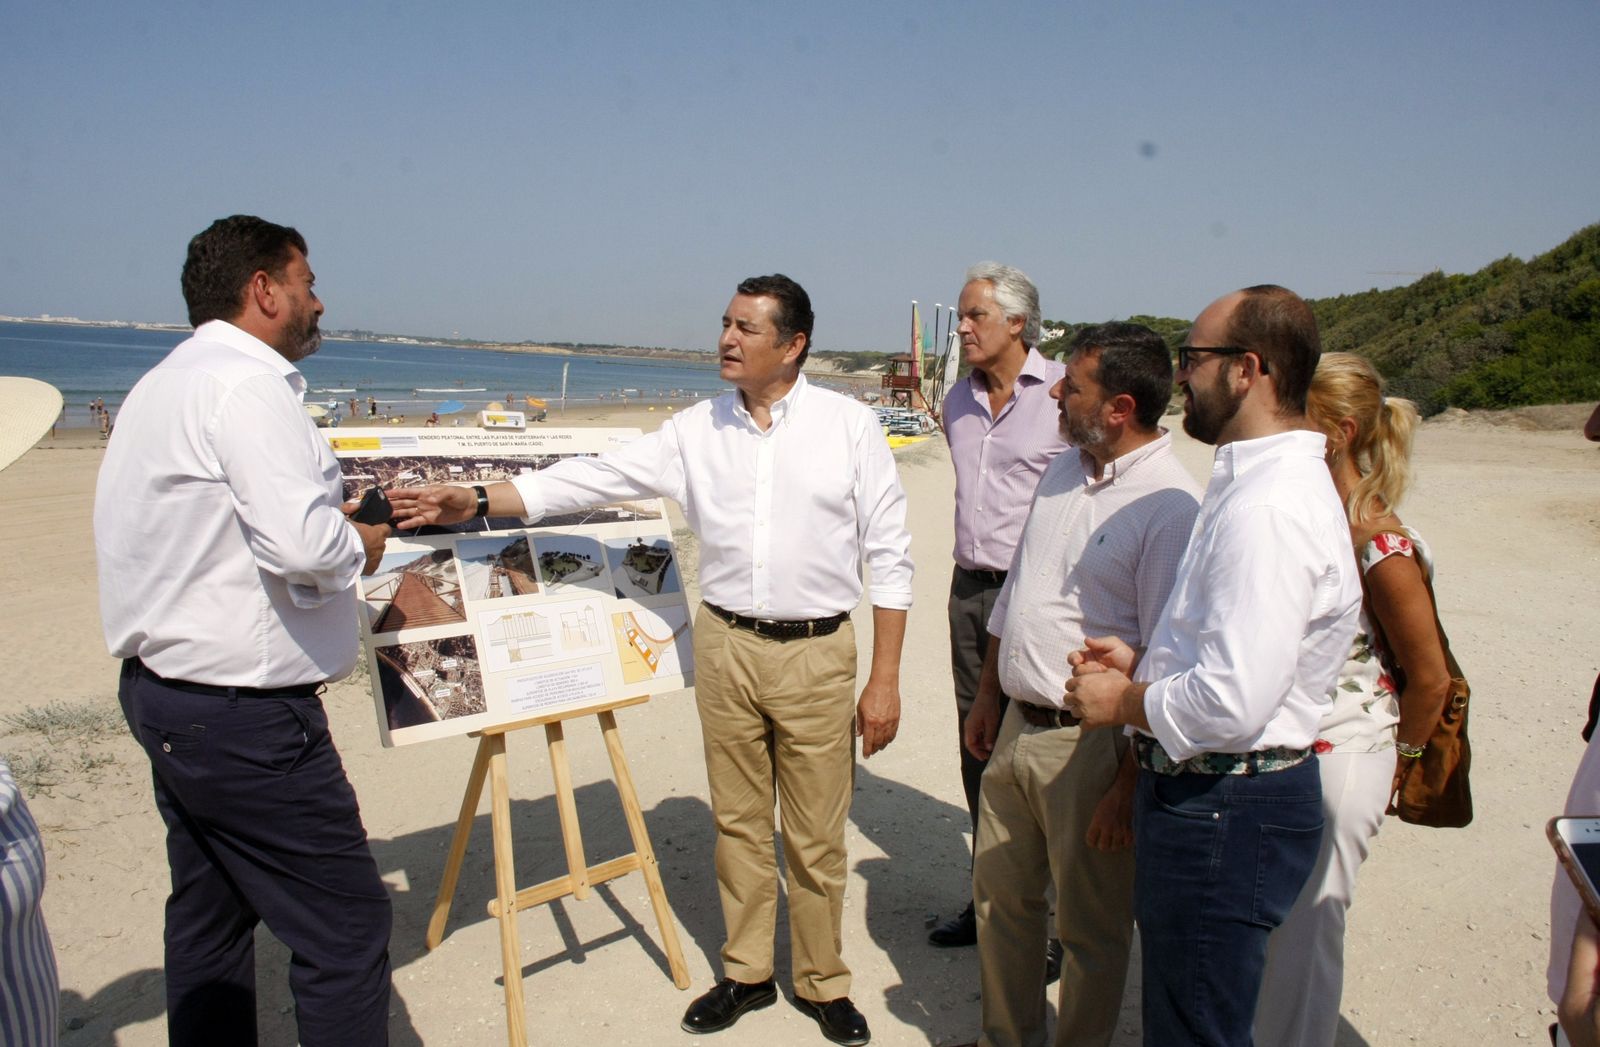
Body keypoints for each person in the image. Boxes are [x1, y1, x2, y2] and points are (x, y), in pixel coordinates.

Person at [388, 274, 913, 1047]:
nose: (727, 339)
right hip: (727, 645)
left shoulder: (849, 426)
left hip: (818, 654)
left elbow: (891, 555)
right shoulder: (694, 430)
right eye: (726, 323)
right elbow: (589, 478)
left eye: (747, 328)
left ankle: (822, 979)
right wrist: (477, 496)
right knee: (736, 824)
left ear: (793, 344)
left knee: (815, 833)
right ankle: (746, 974)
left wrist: (887, 677)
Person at [93, 215, 394, 1046]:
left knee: (212, 914)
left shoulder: (165, 382)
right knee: (347, 930)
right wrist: (359, 542)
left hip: (168, 697)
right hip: (245, 716)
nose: (318, 300)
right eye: (306, 282)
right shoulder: (247, 385)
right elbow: (302, 545)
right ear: (264, 290)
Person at [1064, 285, 1362, 1047]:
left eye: (1194, 357)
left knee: (1195, 1026)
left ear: (1247, 371)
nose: (1182, 375)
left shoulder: (1268, 506)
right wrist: (1151, 660)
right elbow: (1246, 652)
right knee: (1197, 1011)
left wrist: (1123, 699)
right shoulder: (1260, 483)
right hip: (1228, 797)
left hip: (1226, 804)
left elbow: (1232, 701)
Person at [960, 323, 1200, 1047]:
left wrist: (1127, 782)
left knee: (1090, 930)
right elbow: (1020, 588)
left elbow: (1165, 654)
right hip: (1015, 729)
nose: (1056, 393)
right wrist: (989, 694)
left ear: (1121, 408)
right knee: (1002, 904)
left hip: (1094, 750)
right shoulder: (1064, 465)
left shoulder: (1171, 507)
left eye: (1074, 387)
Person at [1254, 352, 1452, 1044]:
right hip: (1300, 745)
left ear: (1335, 433)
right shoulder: (1319, 519)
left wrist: (1404, 763)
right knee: (1281, 925)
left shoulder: (1380, 543)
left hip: (1345, 755)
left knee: (1308, 932)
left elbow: (1431, 677)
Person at [931, 261, 1068, 952]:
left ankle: (1048, 922)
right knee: (977, 742)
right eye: (961, 315)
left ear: (1017, 322)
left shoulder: (1065, 393)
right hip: (969, 590)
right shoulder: (956, 399)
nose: (962, 327)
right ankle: (992, 899)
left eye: (973, 315)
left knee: (1041, 749)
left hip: (1042, 594)